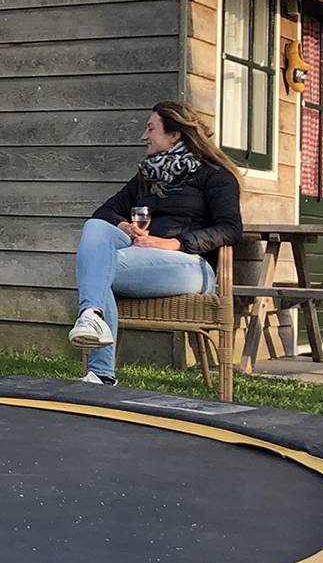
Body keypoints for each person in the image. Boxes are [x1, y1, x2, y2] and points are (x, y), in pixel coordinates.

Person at [68, 101, 243, 386]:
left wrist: (175, 243)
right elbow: (105, 211)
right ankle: (92, 316)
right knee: (96, 227)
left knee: (97, 268)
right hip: (140, 260)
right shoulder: (147, 178)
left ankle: (100, 370)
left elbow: (231, 229)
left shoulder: (215, 176)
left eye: (151, 129)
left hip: (192, 267)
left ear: (174, 135)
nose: (143, 136)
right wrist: (125, 226)